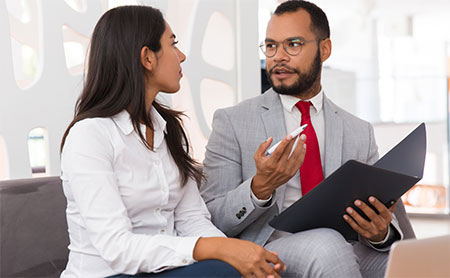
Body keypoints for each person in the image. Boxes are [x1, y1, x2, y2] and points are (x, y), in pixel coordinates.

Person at [59, 5, 286, 278]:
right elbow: (117, 249)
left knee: (242, 269)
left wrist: (240, 256)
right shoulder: (90, 136)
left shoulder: (168, 131)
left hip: (163, 269)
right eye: (172, 44)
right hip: (107, 274)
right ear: (147, 58)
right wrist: (219, 251)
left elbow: (192, 220)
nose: (182, 55)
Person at [200, 1, 415, 277]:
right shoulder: (232, 121)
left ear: (324, 49)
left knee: (413, 261)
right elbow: (211, 219)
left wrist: (380, 232)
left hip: (349, 246)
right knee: (327, 245)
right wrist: (259, 188)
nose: (278, 56)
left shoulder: (358, 130)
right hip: (273, 246)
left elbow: (388, 218)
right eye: (271, 46)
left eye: (293, 44)